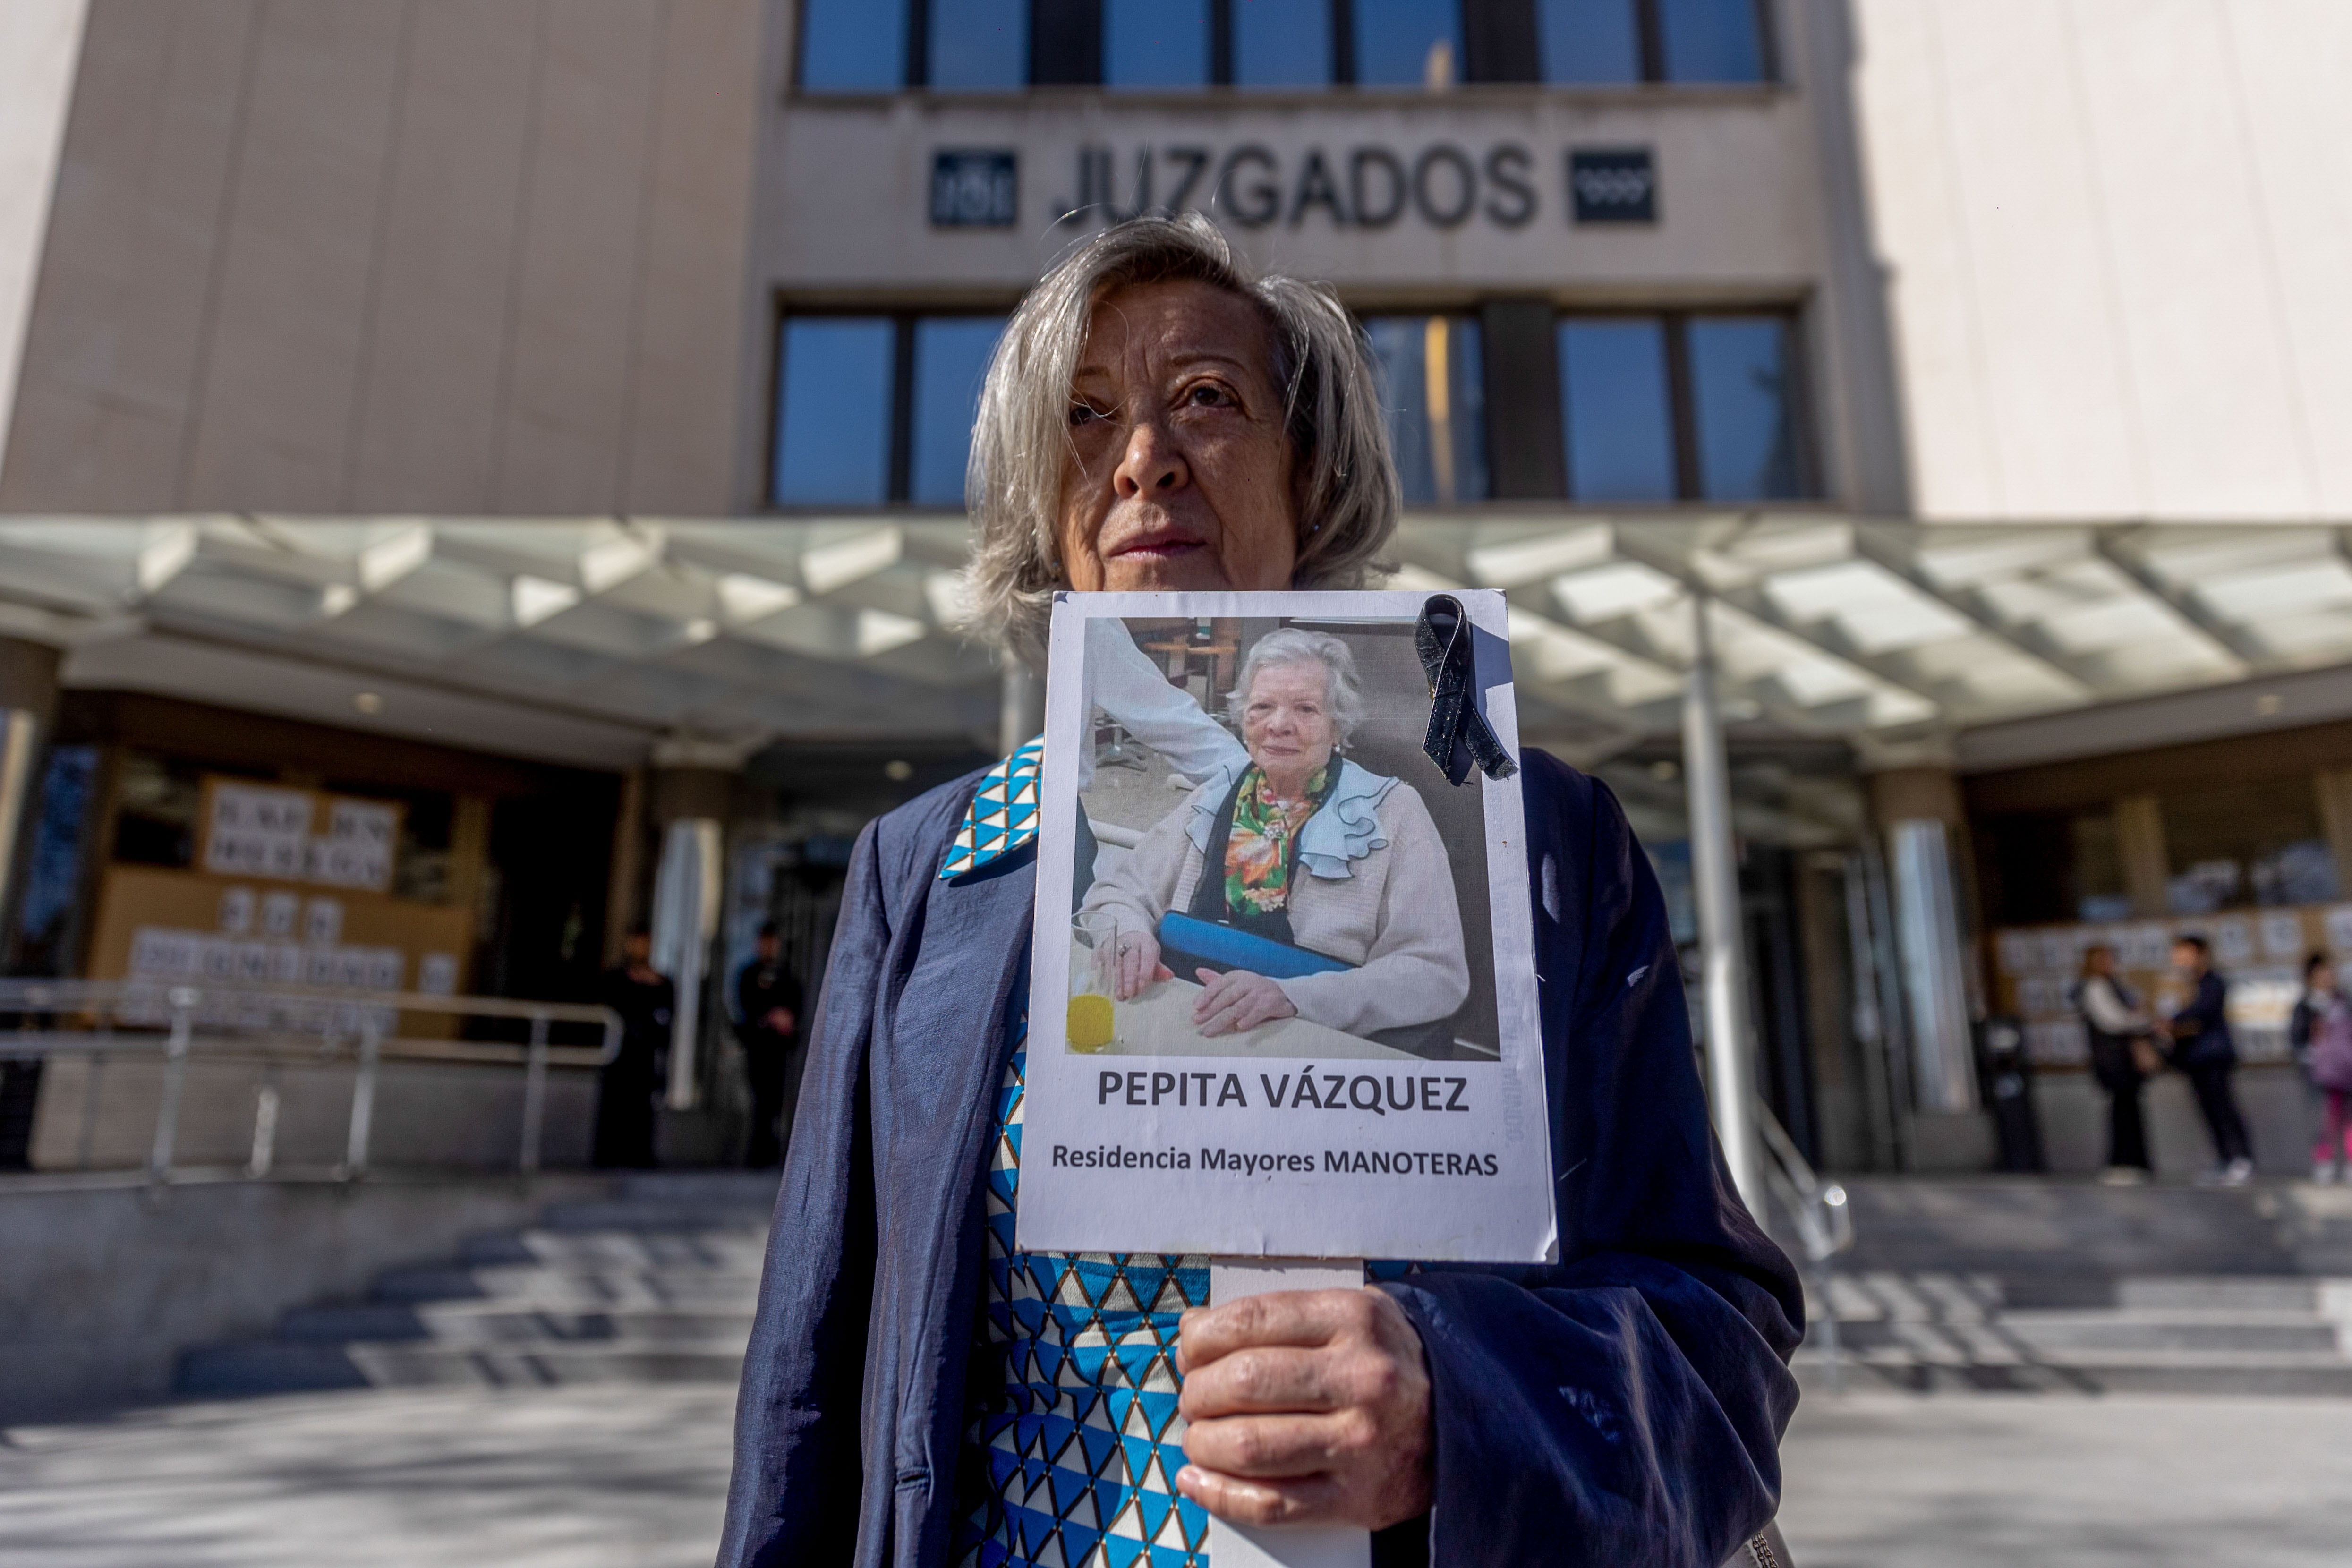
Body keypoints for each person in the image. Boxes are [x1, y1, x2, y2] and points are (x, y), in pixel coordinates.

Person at [717, 215, 1799, 1568]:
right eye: (1084, 416)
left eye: (1207, 402)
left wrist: (1459, 1406)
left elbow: (1715, 1328)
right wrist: (1115, 925)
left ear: (1314, 468)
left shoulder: (1530, 838)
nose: (1141, 460)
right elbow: (814, 1376)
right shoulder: (931, 868)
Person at [1080, 626, 1469, 1044]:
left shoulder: (1393, 811)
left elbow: (1434, 973)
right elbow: (1120, 891)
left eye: (1306, 709)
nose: (1279, 725)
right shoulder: (1216, 791)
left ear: (1338, 727)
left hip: (1312, 1047)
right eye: (1263, 706)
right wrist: (1130, 934)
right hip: (1183, 1025)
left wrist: (1295, 996)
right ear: (1244, 718)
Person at [2167, 934, 2253, 1186]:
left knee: (2223, 1108)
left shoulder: (2213, 982)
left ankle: (2240, 1158)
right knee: (2209, 1112)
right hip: (2194, 1059)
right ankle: (2225, 1159)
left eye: (2186, 955)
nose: (2181, 961)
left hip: (2213, 1056)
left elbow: (2203, 1011)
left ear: (2200, 954)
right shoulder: (2186, 986)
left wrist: (2174, 1021)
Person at [2074, 944, 2158, 1184]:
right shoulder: (2094, 986)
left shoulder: (2116, 985)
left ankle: (2135, 1162)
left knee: (2130, 1109)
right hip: (2113, 1061)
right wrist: (2144, 1021)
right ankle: (2122, 1162)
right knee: (2121, 1110)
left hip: (2124, 1061)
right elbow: (2113, 1021)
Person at [592, 924, 673, 1169]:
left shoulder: (662, 982)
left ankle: (639, 1155)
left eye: (645, 942)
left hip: (645, 1056)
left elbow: (665, 1018)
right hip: (619, 1055)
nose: (641, 947)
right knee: (614, 1105)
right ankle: (608, 1156)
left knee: (642, 1108)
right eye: (637, 941)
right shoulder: (616, 978)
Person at [734, 921, 804, 1170]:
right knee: (758, 1099)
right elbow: (746, 1008)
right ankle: (756, 1152)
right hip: (758, 1048)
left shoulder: (787, 976)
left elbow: (796, 1009)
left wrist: (786, 1022)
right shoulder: (749, 975)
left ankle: (773, 1151)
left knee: (777, 1100)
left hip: (779, 1051)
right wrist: (769, 1018)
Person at [2289, 953, 2352, 1183]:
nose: (2328, 977)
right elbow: (2297, 1039)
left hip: (2347, 1070)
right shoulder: (2305, 1006)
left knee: (2348, 1119)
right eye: (2322, 973)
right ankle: (2323, 1161)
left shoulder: (2344, 1001)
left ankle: (2350, 1163)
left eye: (2330, 972)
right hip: (2319, 1074)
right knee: (2324, 1118)